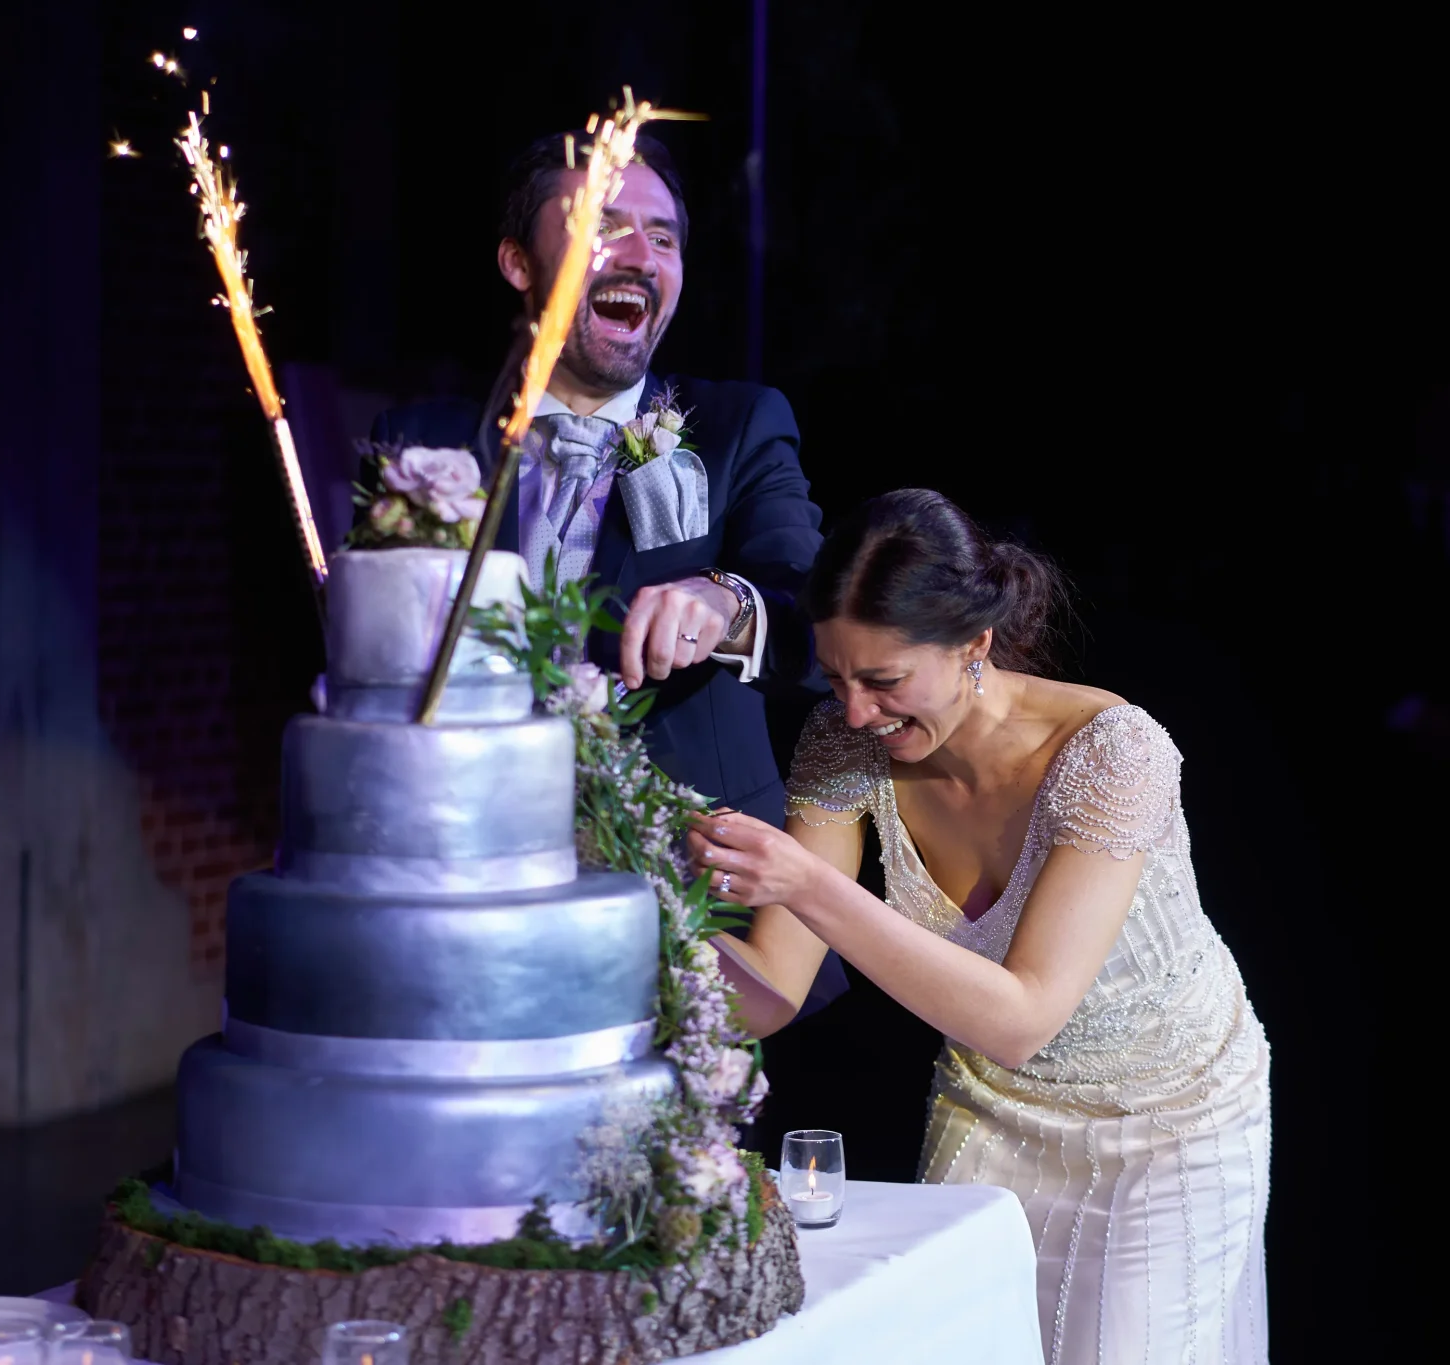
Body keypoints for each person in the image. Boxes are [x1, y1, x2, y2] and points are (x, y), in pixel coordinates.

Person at [688, 489, 1271, 1362]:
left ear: (975, 644)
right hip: (993, 1111)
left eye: (883, 680)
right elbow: (769, 995)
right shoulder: (844, 746)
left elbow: (1020, 1018)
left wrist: (809, 883)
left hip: (1170, 1123)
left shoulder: (1114, 751)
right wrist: (645, 915)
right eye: (837, 677)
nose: (854, 711)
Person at [368, 132, 844, 1013]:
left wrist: (726, 604)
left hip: (698, 915)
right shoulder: (423, 448)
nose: (640, 253)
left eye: (663, 238)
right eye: (603, 225)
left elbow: (824, 630)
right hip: (471, 894)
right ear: (518, 262)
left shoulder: (740, 426)